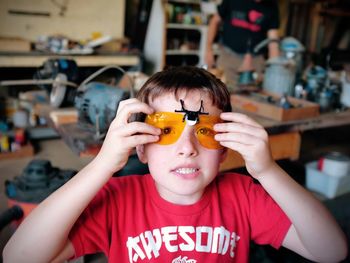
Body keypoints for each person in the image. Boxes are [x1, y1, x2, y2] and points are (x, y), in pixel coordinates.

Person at [3, 66, 348, 263]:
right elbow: (19, 258)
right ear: (141, 149)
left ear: (224, 148)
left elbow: (331, 251)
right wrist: (101, 166)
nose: (187, 148)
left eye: (204, 131)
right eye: (166, 131)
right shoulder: (117, 200)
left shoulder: (243, 195)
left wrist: (268, 171)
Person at [205, 0, 280, 88]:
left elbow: (273, 41)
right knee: (220, 93)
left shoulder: (272, 6)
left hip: (255, 62)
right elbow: (215, 21)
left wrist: (275, 69)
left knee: (250, 98)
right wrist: (208, 50)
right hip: (228, 58)